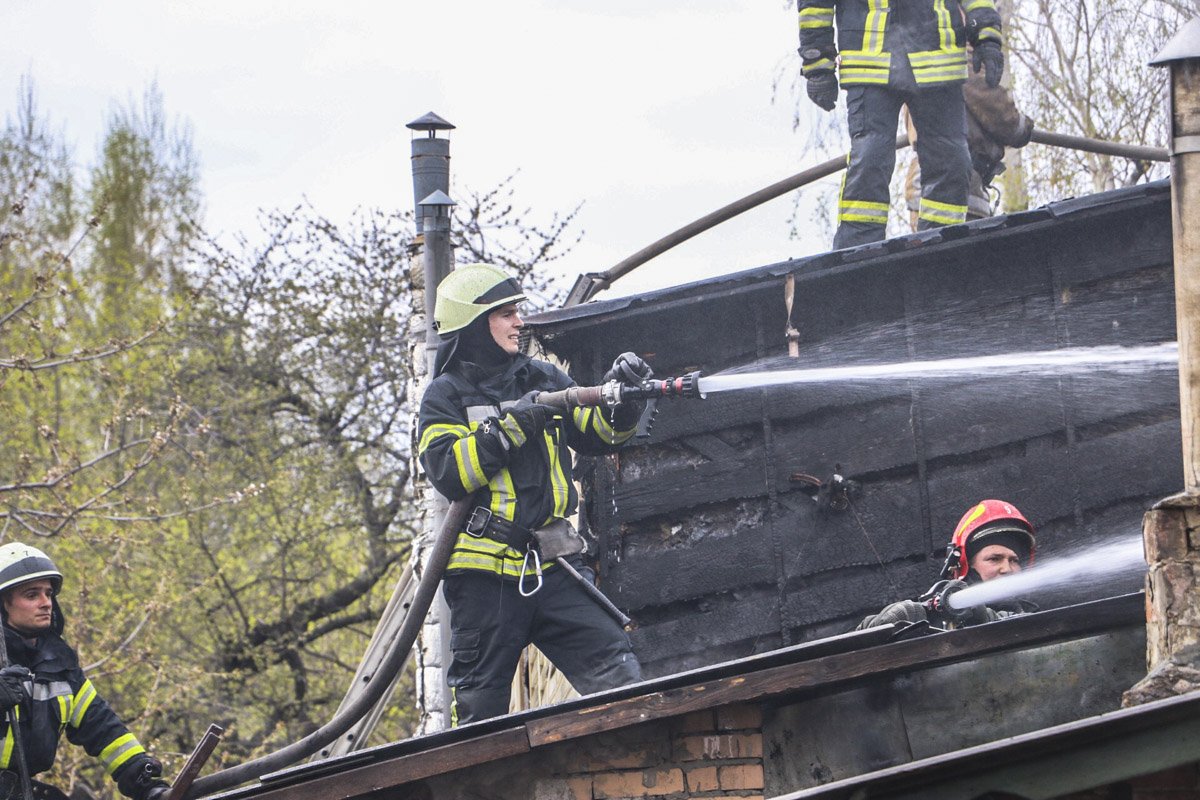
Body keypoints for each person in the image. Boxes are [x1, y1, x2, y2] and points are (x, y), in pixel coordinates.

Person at [417, 263, 644, 725]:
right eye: (505, 313)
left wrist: (626, 405)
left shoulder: (543, 377)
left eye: (517, 311)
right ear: (473, 323)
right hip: (484, 579)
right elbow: (448, 472)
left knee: (621, 680)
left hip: (555, 566)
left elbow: (597, 434)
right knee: (480, 714)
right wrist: (507, 431)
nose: (519, 322)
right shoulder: (443, 396)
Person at [798, 0, 1006, 249]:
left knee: (952, 163)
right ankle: (856, 254)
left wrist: (987, 34)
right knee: (869, 160)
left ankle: (941, 249)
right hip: (869, 63)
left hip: (939, 62)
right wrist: (818, 63)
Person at [0, 542, 169, 800]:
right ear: (3, 604)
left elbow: (102, 727)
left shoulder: (58, 666)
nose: (46, 603)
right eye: (32, 595)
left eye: (48, 593)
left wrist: (144, 781)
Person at [903, 47, 1035, 228]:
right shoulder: (955, 52)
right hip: (953, 178)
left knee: (936, 251)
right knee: (959, 252)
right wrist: (1023, 127)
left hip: (930, 177)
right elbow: (998, 111)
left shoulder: (919, 53)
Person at [856, 499, 1037, 630]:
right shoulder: (934, 619)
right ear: (963, 565)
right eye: (994, 559)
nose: (1007, 569)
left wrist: (979, 614)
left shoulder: (1034, 623)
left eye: (1014, 560)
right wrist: (889, 620)